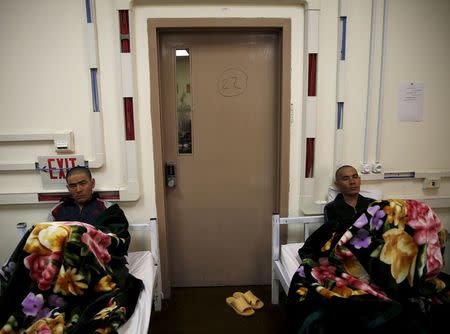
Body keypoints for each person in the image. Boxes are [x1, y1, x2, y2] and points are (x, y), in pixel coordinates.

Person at [298, 164, 375, 260]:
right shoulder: (332, 208)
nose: (352, 182)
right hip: (346, 251)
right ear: (337, 184)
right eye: (346, 179)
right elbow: (333, 235)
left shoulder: (372, 204)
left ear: (359, 180)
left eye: (355, 177)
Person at [47, 166, 113, 225]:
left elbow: (118, 236)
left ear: (92, 183)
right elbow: (48, 236)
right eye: (73, 186)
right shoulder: (56, 211)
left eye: (83, 183)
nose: (78, 190)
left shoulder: (108, 209)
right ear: (68, 188)